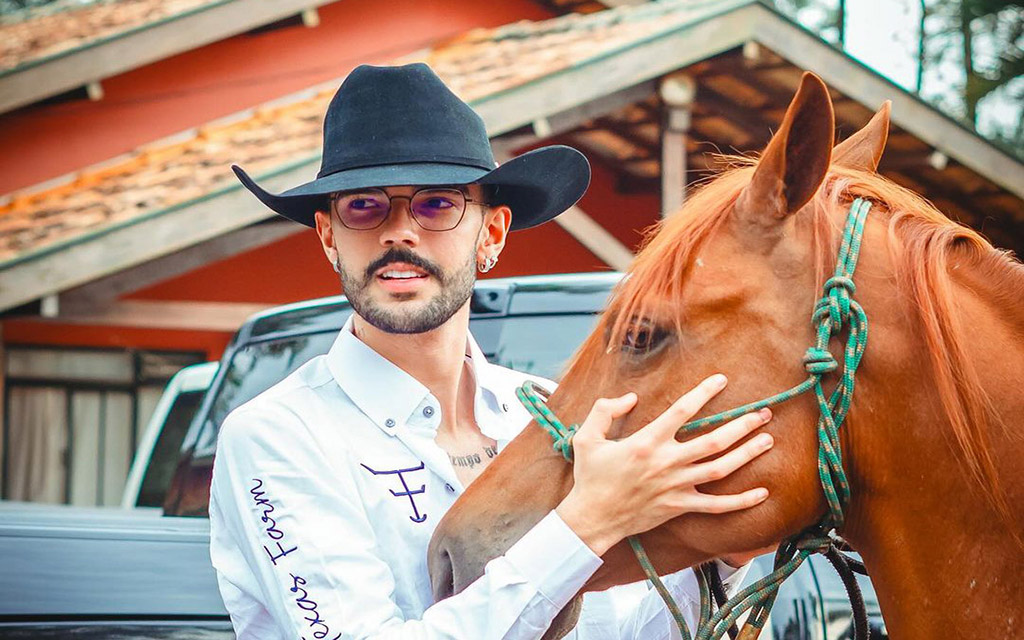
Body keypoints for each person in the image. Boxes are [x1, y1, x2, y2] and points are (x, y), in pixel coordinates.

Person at [210, 63, 775, 640]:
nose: (398, 231)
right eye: (363, 206)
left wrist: (731, 558)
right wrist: (585, 526)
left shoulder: (553, 417)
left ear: (493, 235)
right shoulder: (277, 435)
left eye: (436, 204)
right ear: (330, 236)